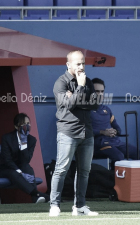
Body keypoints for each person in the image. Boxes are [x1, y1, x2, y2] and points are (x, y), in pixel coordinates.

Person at [50, 50, 100, 217]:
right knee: (61, 169)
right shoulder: (60, 83)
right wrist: (79, 87)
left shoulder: (89, 81)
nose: (81, 66)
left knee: (84, 171)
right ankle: (54, 205)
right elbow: (67, 105)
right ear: (68, 65)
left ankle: (79, 206)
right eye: (78, 63)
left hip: (87, 133)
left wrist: (76, 99)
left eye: (83, 63)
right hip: (68, 132)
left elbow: (94, 105)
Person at [0, 113, 49, 203]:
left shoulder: (31, 140)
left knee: (28, 169)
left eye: (28, 123)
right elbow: (7, 160)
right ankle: (38, 195)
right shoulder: (7, 138)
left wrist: (24, 143)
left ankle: (36, 198)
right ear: (16, 127)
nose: (26, 126)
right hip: (2, 169)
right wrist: (20, 172)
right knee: (13, 173)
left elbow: (26, 160)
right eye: (23, 124)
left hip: (18, 168)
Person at [91, 78, 140, 170]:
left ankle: (138, 182)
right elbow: (83, 131)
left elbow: (117, 127)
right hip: (98, 144)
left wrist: (115, 131)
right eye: (97, 91)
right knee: (119, 157)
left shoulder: (107, 109)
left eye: (102, 91)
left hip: (115, 142)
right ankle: (113, 181)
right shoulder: (84, 110)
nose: (100, 94)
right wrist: (103, 132)